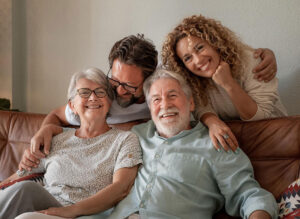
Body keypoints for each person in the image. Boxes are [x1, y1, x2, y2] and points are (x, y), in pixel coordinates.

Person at [21, 34, 277, 171]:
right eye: (115, 80)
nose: (119, 91)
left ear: (147, 80)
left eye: (129, 86)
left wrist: (265, 54)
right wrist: (45, 129)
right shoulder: (99, 95)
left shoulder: (161, 92)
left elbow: (197, 99)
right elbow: (57, 115)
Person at [107, 69, 278, 218]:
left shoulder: (215, 143)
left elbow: (249, 195)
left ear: (191, 103)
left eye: (172, 95)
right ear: (150, 109)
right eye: (156, 99)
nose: (165, 105)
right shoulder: (136, 135)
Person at [0, 68, 142, 219]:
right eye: (84, 93)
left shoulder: (125, 140)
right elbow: (17, 178)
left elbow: (121, 188)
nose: (93, 97)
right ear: (72, 105)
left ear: (109, 101)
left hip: (87, 214)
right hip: (48, 207)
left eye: (100, 92)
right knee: (25, 189)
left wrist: (72, 210)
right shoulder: (56, 138)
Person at [162, 15, 287, 152]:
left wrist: (228, 84)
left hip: (278, 139)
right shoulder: (192, 80)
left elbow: (259, 117)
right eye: (188, 58)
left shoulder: (250, 61)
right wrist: (212, 122)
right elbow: (202, 109)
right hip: (236, 146)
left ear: (214, 42)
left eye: (200, 48)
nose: (198, 60)